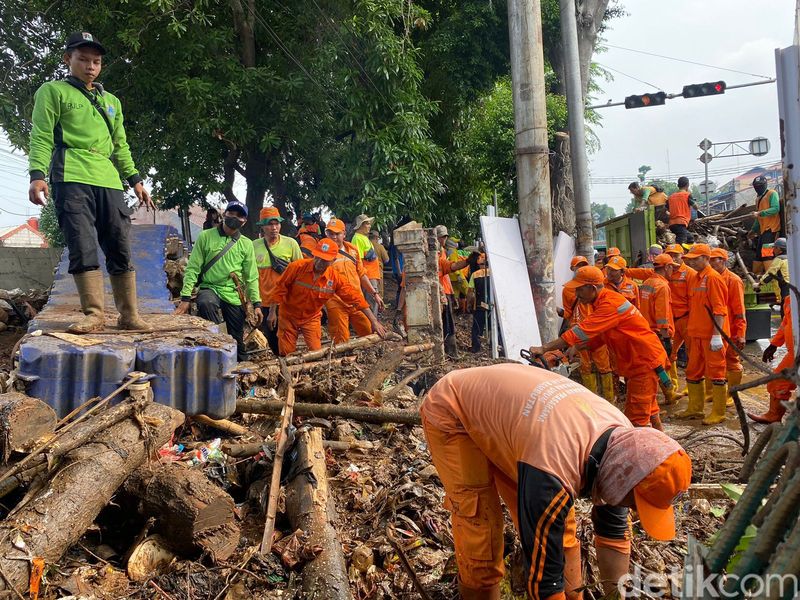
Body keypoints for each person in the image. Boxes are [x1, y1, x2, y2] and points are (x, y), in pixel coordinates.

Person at [421, 363, 692, 600]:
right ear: (622, 483)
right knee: (481, 528)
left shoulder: (628, 451)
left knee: (559, 529)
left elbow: (613, 531)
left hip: (521, 426)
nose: (632, 510)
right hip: (454, 411)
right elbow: (543, 580)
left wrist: (613, 596)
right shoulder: (553, 470)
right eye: (635, 503)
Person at [28, 31, 154, 334]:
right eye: (83, 59)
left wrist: (135, 180)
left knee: (119, 245)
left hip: (108, 180)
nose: (90, 66)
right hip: (70, 176)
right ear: (68, 59)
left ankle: (129, 315)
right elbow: (42, 134)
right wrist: (37, 175)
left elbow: (120, 145)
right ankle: (94, 314)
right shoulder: (53, 91)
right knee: (82, 243)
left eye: (96, 61)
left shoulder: (111, 101)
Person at [530, 266, 670, 430]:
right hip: (641, 360)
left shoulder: (609, 304)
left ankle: (643, 451)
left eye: (580, 290)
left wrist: (543, 348)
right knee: (650, 408)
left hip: (644, 362)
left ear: (592, 288)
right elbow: (602, 336)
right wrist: (578, 348)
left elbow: (580, 331)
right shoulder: (603, 301)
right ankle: (663, 441)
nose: (577, 295)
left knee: (637, 416)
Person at [266, 238, 386, 355]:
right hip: (288, 316)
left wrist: (374, 321)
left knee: (315, 352)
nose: (319, 262)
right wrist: (272, 313)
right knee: (286, 352)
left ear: (333, 260)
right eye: (317, 257)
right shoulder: (296, 267)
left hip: (311, 318)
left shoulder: (335, 279)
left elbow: (356, 299)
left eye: (324, 260)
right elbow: (279, 288)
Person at [176, 201, 262, 361]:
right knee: (206, 304)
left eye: (240, 215)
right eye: (232, 213)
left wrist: (256, 304)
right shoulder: (205, 236)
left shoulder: (246, 244)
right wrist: (185, 297)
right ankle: (217, 348)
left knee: (237, 337)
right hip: (210, 287)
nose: (235, 217)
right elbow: (193, 268)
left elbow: (251, 276)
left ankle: (241, 368)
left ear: (245, 221)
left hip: (233, 293)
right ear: (224, 214)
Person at [628, 245, 693, 399]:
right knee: (660, 366)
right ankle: (664, 394)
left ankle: (669, 392)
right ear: (667, 267)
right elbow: (662, 315)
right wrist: (666, 339)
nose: (673, 271)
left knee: (658, 365)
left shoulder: (648, 282)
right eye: (672, 267)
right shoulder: (662, 286)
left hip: (646, 330)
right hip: (658, 332)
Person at [676, 244, 730, 425]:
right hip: (697, 334)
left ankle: (719, 412)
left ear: (706, 258)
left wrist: (717, 336)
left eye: (695, 258)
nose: (692, 261)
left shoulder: (713, 278)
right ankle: (695, 408)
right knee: (693, 371)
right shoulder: (697, 278)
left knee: (716, 373)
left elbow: (720, 310)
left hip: (710, 336)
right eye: (690, 259)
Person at [324, 217, 384, 343]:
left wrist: (375, 294)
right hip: (336, 303)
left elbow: (362, 274)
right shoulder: (323, 254)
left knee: (368, 331)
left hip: (357, 301)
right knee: (341, 341)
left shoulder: (352, 250)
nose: (334, 237)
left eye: (337, 233)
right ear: (326, 234)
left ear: (344, 234)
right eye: (330, 233)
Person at [563, 256, 614, 401]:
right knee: (585, 367)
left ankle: (609, 400)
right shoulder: (567, 290)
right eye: (577, 266)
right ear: (572, 269)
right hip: (578, 330)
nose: (580, 268)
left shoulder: (597, 290)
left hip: (595, 330)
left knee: (604, 365)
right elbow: (568, 313)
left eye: (583, 265)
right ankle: (592, 400)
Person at [253, 207, 303, 356]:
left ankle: (288, 362)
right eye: (269, 224)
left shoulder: (291, 244)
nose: (274, 228)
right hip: (264, 302)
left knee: (287, 335)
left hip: (286, 300)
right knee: (271, 336)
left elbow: (300, 271)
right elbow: (250, 275)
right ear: (262, 226)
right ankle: (279, 361)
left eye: (277, 224)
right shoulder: (253, 246)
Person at [709, 248, 746, 404]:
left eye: (714, 259)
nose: (711, 262)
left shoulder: (733, 280)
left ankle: (732, 394)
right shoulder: (713, 278)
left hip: (730, 328)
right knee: (719, 363)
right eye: (709, 259)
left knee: (732, 361)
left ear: (723, 261)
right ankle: (722, 392)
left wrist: (741, 333)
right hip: (719, 327)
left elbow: (739, 311)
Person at [749, 295, 794, 423]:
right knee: (778, 382)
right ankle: (774, 416)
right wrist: (774, 344)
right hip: (795, 354)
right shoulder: (789, 299)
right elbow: (786, 322)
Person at [435, 225, 474, 357]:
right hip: (442, 289)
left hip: (447, 287)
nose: (443, 240)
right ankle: (448, 351)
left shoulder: (443, 252)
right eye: (441, 237)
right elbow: (451, 267)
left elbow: (449, 268)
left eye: (445, 237)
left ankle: (450, 350)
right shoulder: (439, 254)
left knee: (448, 321)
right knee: (444, 321)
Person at [749, 175, 782, 275]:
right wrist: (753, 230)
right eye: (756, 186)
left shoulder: (772, 193)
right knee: (758, 255)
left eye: (759, 186)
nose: (757, 188)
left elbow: (775, 208)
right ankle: (757, 276)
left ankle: (771, 278)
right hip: (763, 231)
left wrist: (760, 213)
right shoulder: (757, 199)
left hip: (772, 229)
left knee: (767, 255)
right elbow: (758, 219)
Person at [350, 214, 382, 314]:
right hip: (368, 276)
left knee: (372, 302)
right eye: (367, 223)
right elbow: (358, 261)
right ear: (361, 225)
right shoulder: (358, 239)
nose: (369, 226)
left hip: (371, 276)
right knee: (371, 302)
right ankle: (371, 327)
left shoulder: (363, 238)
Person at [467, 254, 490, 352]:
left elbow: (471, 293)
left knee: (477, 328)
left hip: (480, 305)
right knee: (494, 327)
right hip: (493, 306)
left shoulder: (475, 274)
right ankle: (497, 347)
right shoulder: (495, 273)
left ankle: (476, 348)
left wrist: (469, 304)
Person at [757, 237, 790, 305]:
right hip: (792, 289)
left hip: (785, 290)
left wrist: (759, 284)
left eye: (774, 247)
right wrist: (760, 276)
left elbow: (770, 275)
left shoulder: (779, 259)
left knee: (786, 312)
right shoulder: (791, 258)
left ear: (779, 249)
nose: (773, 250)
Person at [665, 177, 696, 244]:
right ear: (687, 185)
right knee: (681, 243)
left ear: (678, 185)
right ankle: (678, 253)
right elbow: (696, 207)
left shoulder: (670, 197)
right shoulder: (687, 195)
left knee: (690, 238)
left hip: (672, 224)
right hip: (681, 223)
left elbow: (667, 210)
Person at [368, 230, 390, 297]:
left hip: (366, 272)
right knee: (379, 291)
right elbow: (387, 260)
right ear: (377, 238)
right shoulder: (380, 247)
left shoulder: (365, 245)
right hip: (377, 271)